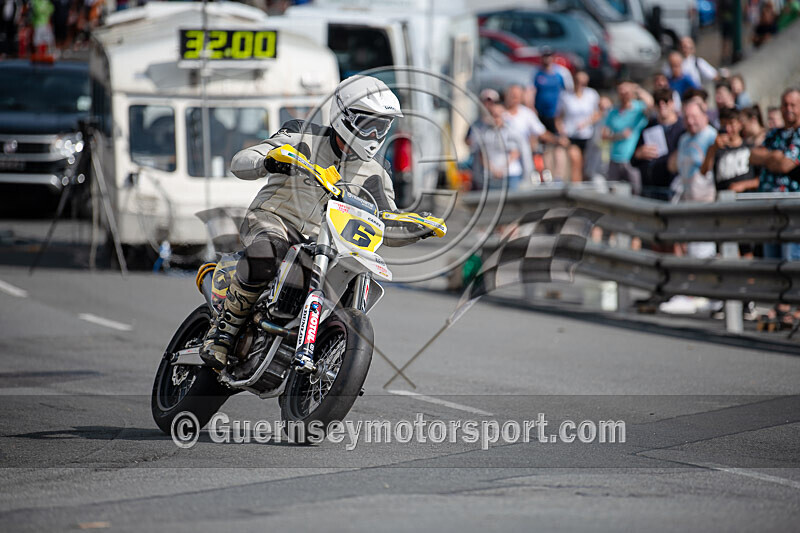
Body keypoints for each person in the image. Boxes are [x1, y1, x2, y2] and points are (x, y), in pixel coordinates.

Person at [200, 76, 431, 369]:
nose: (373, 134)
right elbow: (241, 161)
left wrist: (418, 229)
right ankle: (222, 333)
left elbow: (386, 221)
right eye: (367, 123)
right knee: (269, 252)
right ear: (343, 114)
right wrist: (270, 160)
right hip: (275, 221)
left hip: (328, 244)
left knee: (349, 278)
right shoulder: (301, 134)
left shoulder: (377, 172)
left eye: (381, 126)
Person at [631, 87, 686, 201]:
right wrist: (638, 154)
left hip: (673, 190)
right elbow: (633, 161)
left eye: (665, 101)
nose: (662, 105)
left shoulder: (683, 128)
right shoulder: (648, 128)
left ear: (672, 103)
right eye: (658, 102)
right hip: (650, 190)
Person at [602, 80, 653, 195]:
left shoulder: (638, 108)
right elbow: (604, 135)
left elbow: (650, 103)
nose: (623, 94)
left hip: (631, 159)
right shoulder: (613, 112)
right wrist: (618, 136)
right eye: (621, 92)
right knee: (611, 192)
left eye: (626, 91)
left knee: (636, 192)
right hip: (614, 158)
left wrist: (636, 88)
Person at [469, 101, 532, 191]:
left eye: (497, 115)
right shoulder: (484, 132)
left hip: (511, 174)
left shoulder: (512, 131)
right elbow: (481, 154)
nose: (495, 118)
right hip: (490, 176)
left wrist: (502, 170)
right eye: (492, 115)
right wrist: (493, 170)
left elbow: (516, 153)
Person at [701, 107, 759, 194]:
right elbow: (704, 171)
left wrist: (744, 185)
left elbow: (760, 179)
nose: (728, 129)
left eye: (731, 124)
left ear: (740, 124)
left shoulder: (750, 148)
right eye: (724, 125)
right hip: (724, 202)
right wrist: (713, 149)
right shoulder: (717, 149)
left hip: (747, 201)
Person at [557, 70, 601, 183]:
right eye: (577, 81)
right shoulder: (565, 96)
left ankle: (583, 188)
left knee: (586, 166)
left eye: (583, 82)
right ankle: (576, 189)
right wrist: (562, 132)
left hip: (588, 135)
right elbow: (558, 117)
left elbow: (598, 114)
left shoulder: (592, 95)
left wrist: (586, 123)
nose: (580, 84)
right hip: (571, 134)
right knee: (575, 161)